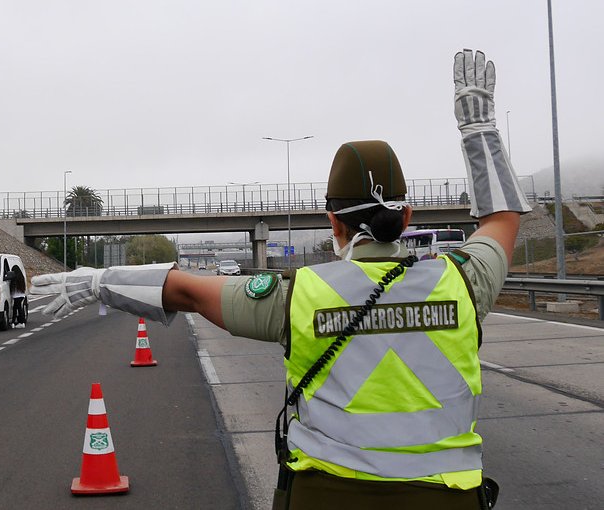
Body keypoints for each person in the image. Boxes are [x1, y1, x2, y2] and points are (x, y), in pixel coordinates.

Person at [30, 49, 528, 509]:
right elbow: (502, 219)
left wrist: (96, 281)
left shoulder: (300, 296)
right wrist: (478, 128)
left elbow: (181, 288)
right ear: (408, 215)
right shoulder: (464, 283)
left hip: (325, 497)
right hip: (448, 500)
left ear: (332, 222)